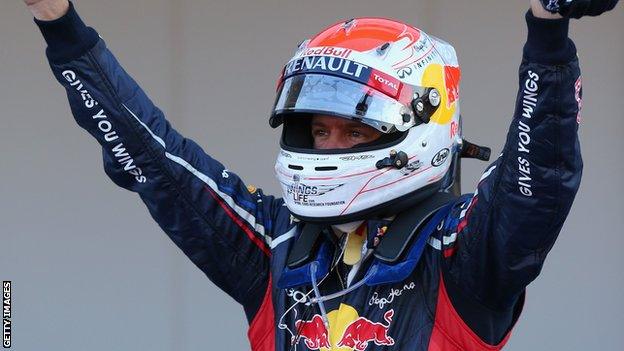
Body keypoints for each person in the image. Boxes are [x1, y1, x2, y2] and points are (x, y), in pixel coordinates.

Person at [21, 0, 618, 350]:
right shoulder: (278, 245)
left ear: (420, 126)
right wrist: (59, 22)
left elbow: (538, 178)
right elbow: (158, 161)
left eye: (354, 131)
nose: (330, 146)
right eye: (320, 130)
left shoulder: (460, 249)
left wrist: (547, 29)